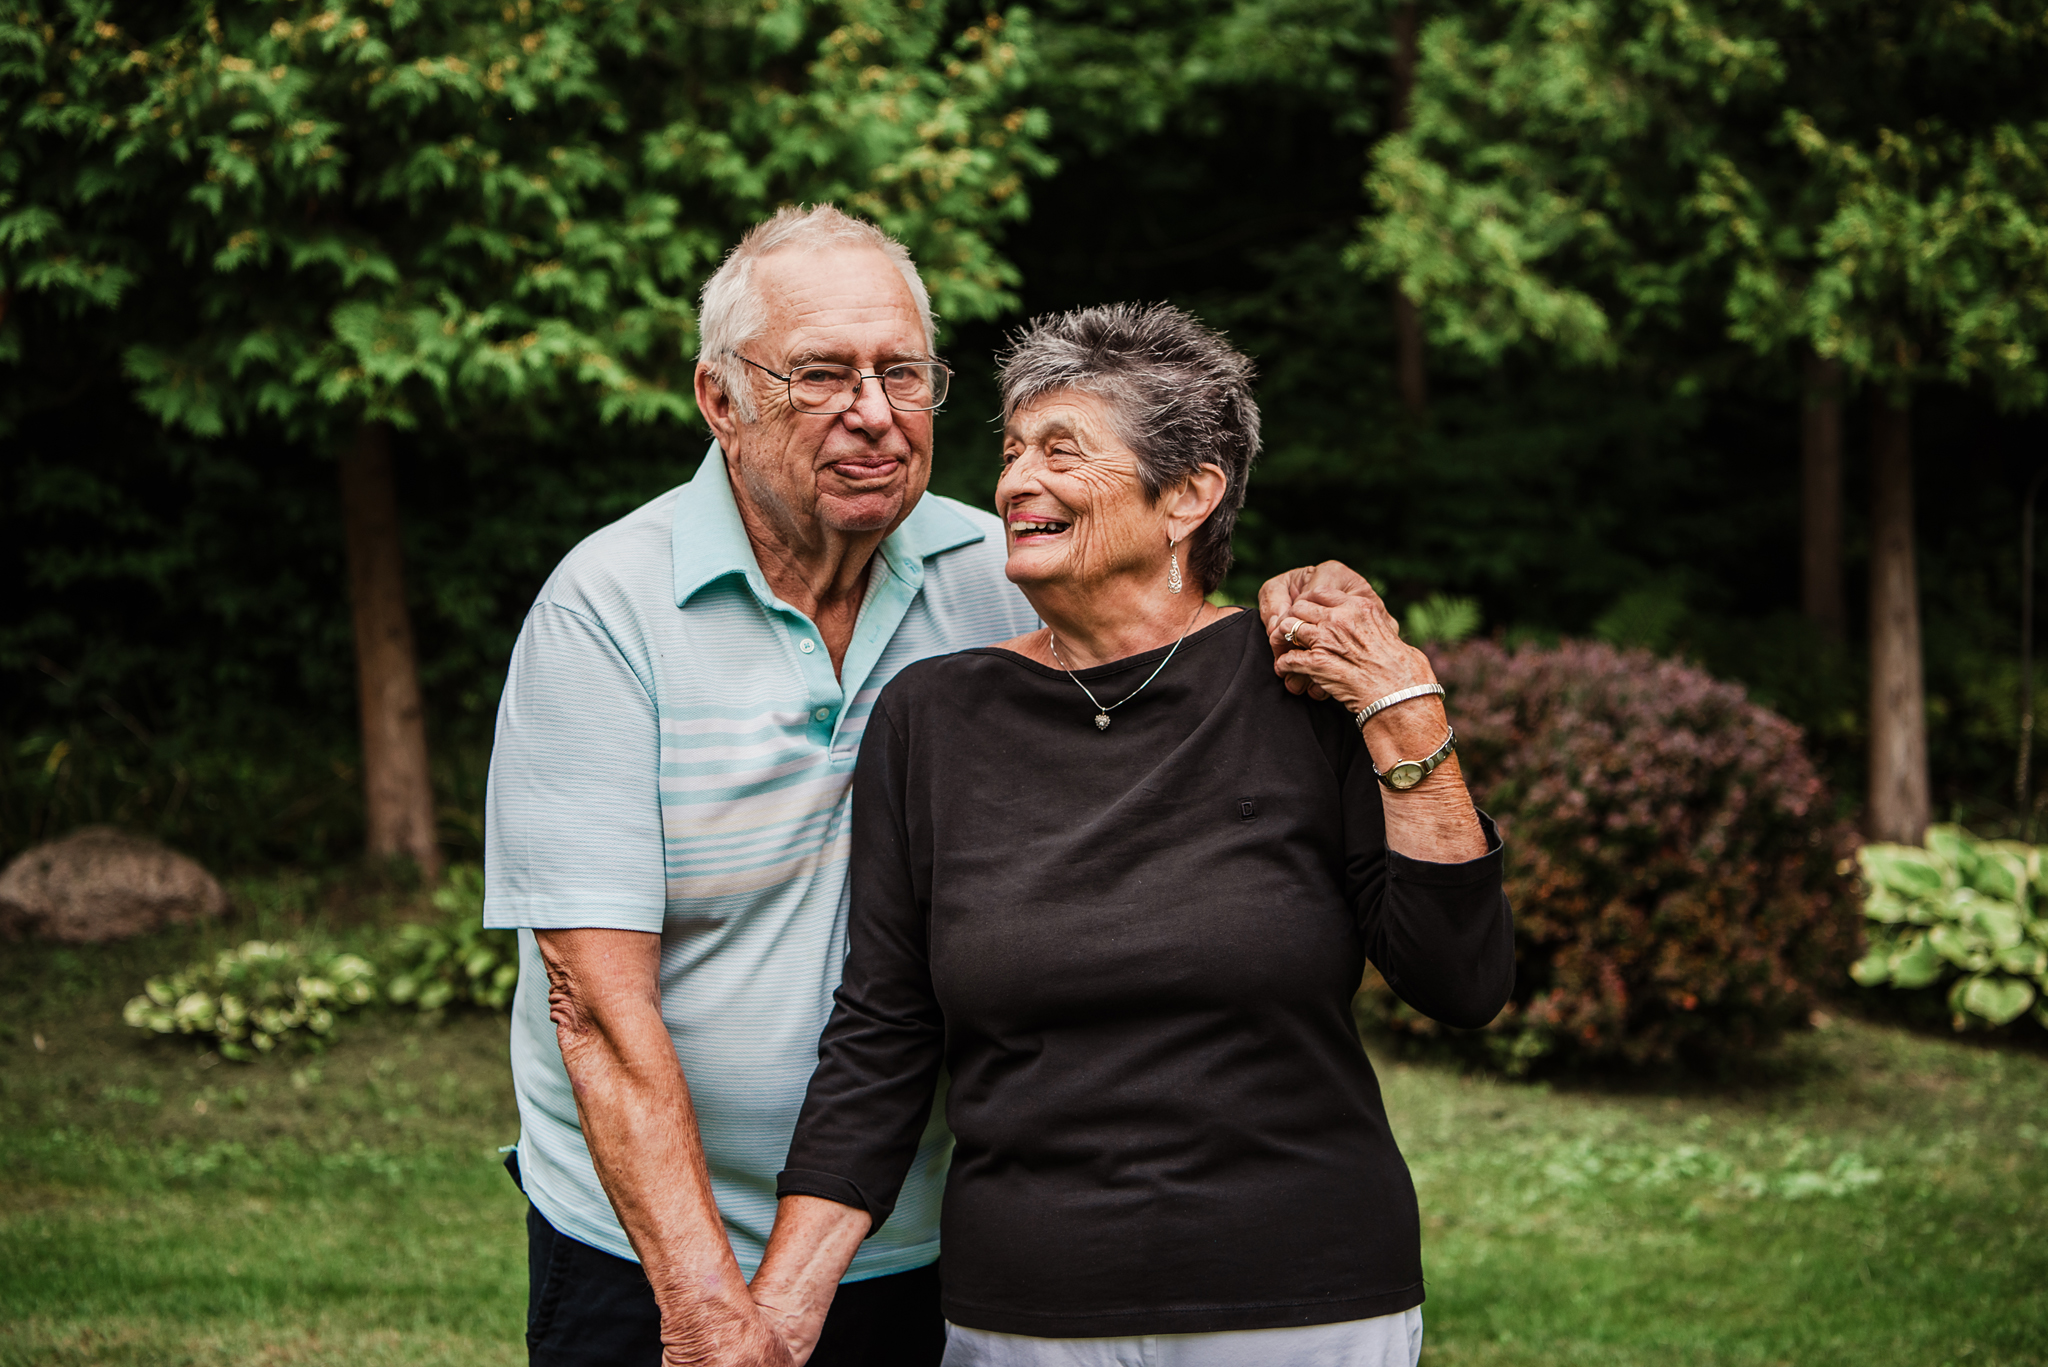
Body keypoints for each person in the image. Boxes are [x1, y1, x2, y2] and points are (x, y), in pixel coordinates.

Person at [484, 211, 1352, 1367]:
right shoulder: (606, 611)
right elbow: (590, 1001)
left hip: (930, 1233)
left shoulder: (1003, 574)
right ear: (718, 399)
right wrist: (704, 1304)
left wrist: (1316, 598)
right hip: (649, 1246)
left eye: (903, 372)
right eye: (822, 374)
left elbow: (1179, 625)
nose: (875, 412)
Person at [750, 302, 1516, 1367]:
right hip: (1024, 1311)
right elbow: (883, 1030)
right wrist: (776, 1315)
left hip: (1300, 1300)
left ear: (1189, 495)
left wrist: (1401, 705)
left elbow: (1460, 977)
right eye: (1011, 451)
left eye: (1061, 451)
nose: (1015, 483)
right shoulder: (931, 717)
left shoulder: (1302, 684)